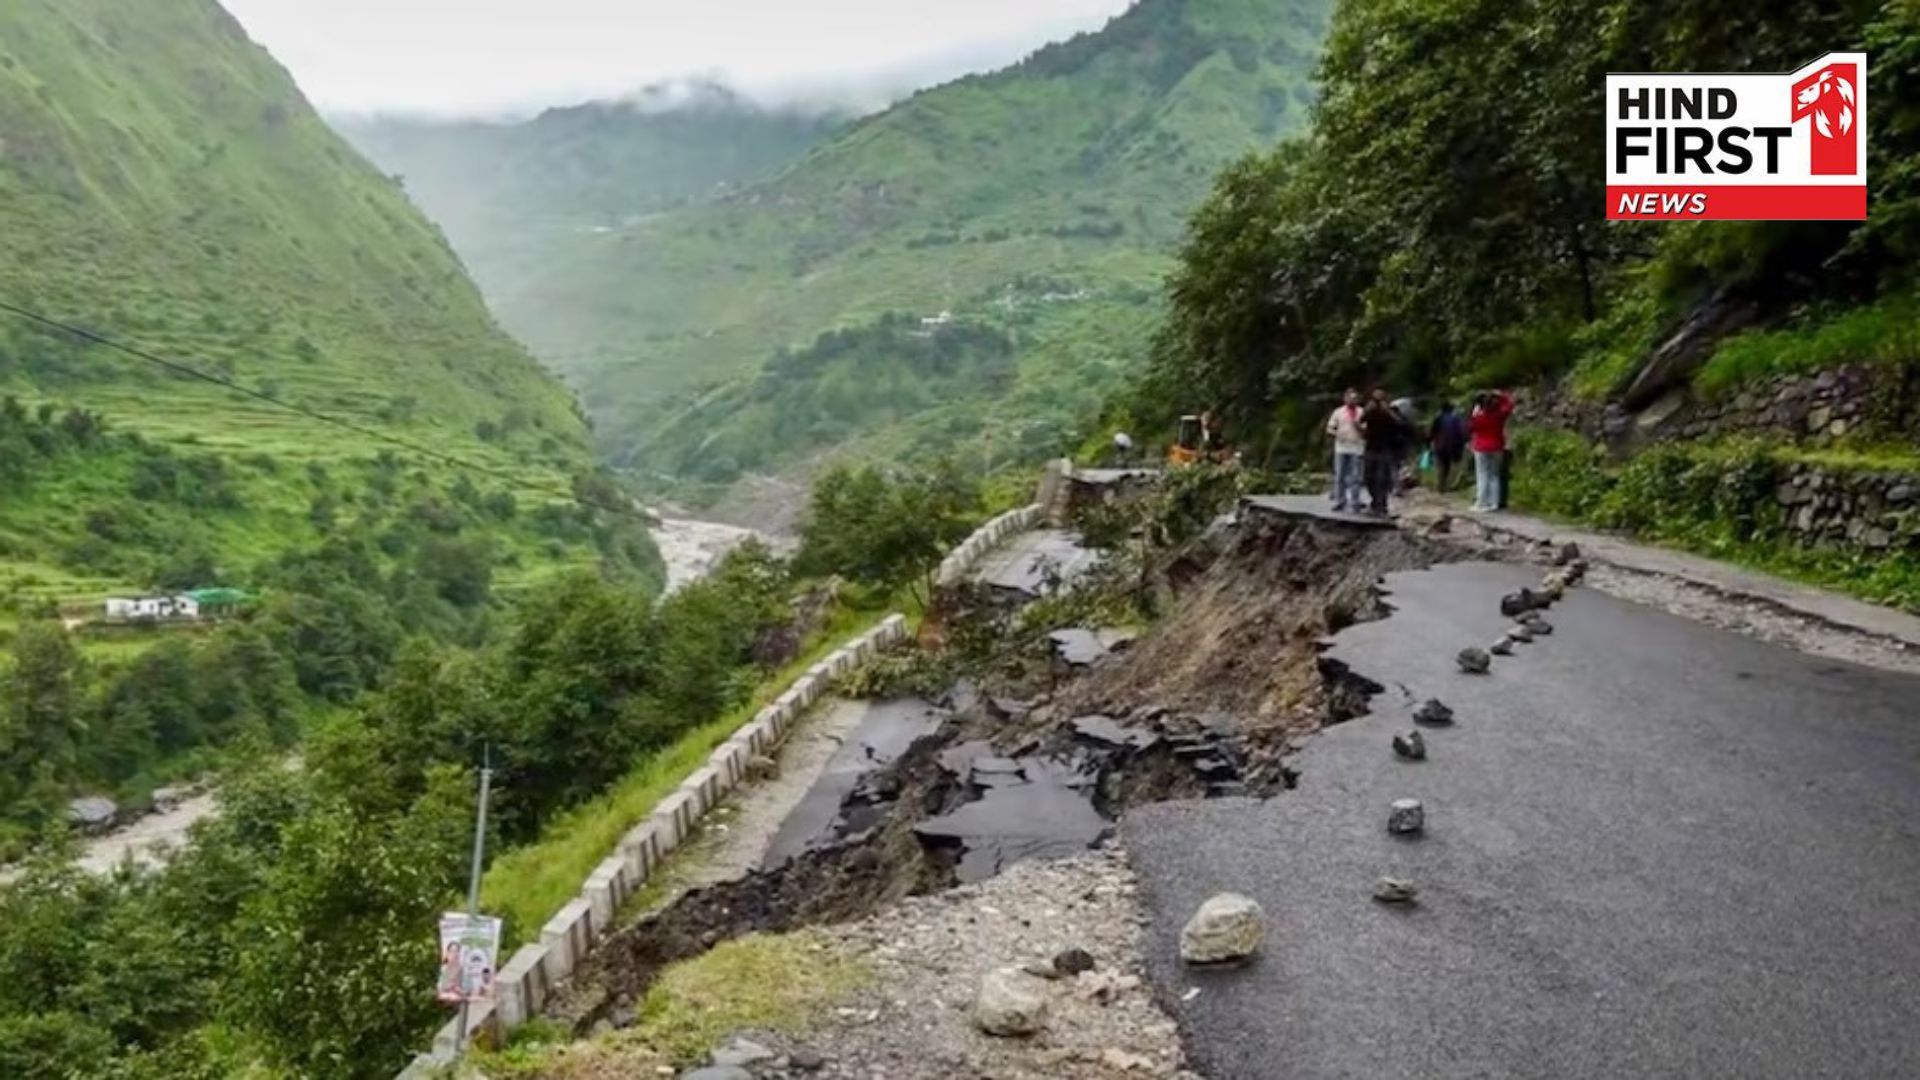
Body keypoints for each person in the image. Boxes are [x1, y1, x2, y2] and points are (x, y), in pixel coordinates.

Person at [1361, 389, 1411, 515]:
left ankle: (1381, 505)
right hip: (1370, 448)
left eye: (1380, 399)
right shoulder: (1370, 411)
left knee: (1382, 478)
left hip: (1385, 449)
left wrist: (1387, 411)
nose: (1377, 403)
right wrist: (1368, 409)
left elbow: (1401, 425)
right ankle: (1374, 502)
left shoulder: (1391, 413)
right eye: (1375, 399)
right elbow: (1360, 420)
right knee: (1369, 477)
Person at [1469, 389, 1515, 512]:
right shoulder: (1499, 414)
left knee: (1482, 475)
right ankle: (1494, 503)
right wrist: (1501, 395)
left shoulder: (1477, 415)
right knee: (1494, 476)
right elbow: (1510, 404)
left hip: (1480, 447)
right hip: (1497, 446)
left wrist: (1476, 409)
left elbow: (1471, 427)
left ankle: (1482, 502)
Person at [1324, 389, 1365, 512]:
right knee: (1340, 475)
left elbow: (1366, 429)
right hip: (1341, 447)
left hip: (1357, 446)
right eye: (1349, 398)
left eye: (1354, 398)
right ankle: (1340, 501)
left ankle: (1355, 501)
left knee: (1356, 476)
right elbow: (1330, 428)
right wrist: (1336, 434)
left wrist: (1359, 427)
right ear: (1345, 399)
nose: (1352, 400)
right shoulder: (1338, 412)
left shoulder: (1361, 412)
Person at [1427, 401, 1468, 492]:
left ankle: (1440, 485)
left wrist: (1430, 443)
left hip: (1439, 445)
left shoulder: (1438, 418)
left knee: (1441, 466)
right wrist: (1463, 442)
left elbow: (1431, 432)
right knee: (1449, 466)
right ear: (1451, 409)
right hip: (1452, 446)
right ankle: (1448, 486)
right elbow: (1462, 432)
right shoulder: (1456, 419)